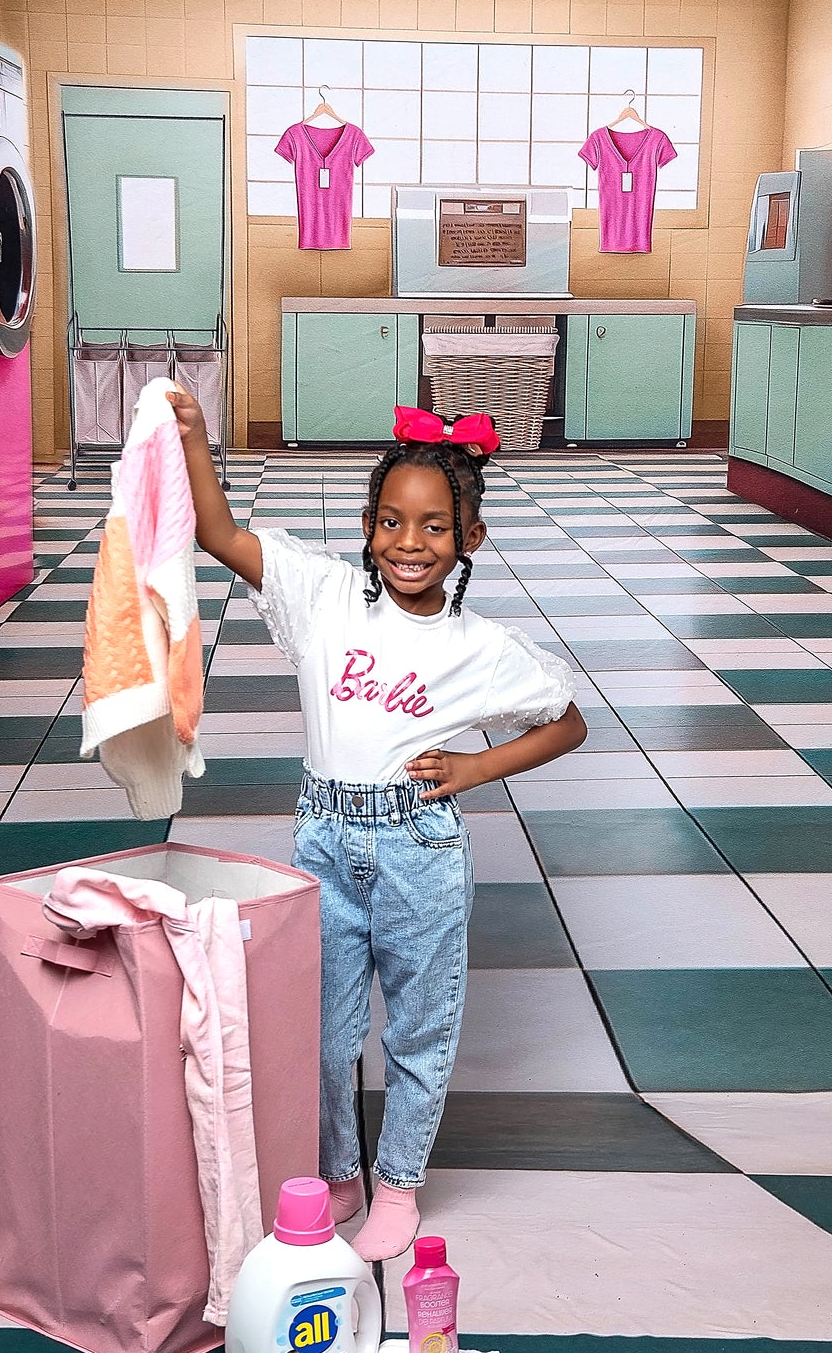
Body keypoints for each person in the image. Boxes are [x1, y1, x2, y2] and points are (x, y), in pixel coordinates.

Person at [167, 392, 586, 1261]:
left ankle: (397, 1184)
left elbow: (566, 721)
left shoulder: (480, 647)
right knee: (321, 1029)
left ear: (469, 539)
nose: (409, 543)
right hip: (322, 836)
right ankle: (340, 1169)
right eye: (392, 521)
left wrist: (475, 768)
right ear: (367, 523)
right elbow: (217, 534)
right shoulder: (325, 598)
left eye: (436, 527)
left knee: (418, 1028)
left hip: (419, 850)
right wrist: (197, 440)